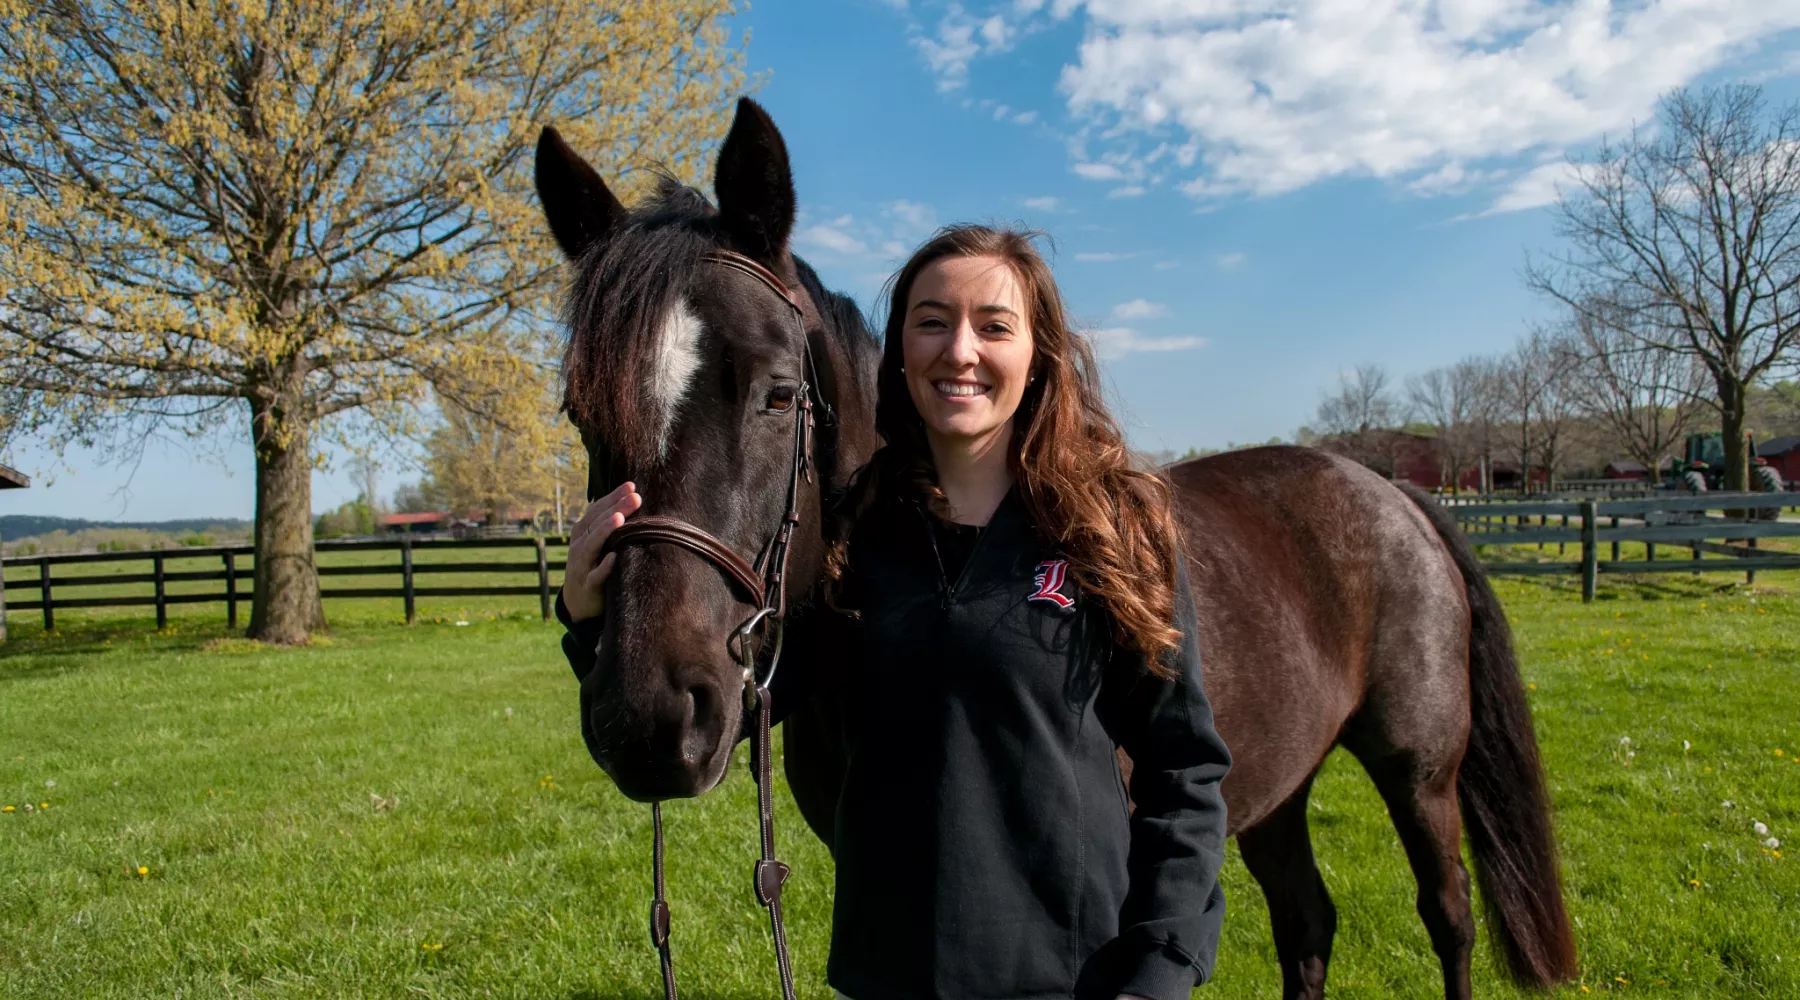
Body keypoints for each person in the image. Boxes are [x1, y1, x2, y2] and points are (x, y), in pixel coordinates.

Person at [560, 225, 1231, 1000]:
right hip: (887, 977)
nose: (961, 350)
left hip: (1074, 978)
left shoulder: (1116, 529)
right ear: (900, 348)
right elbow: (741, 700)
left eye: (995, 325)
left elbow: (1184, 767)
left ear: (1040, 350)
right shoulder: (858, 532)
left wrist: (1159, 972)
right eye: (932, 321)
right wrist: (594, 627)